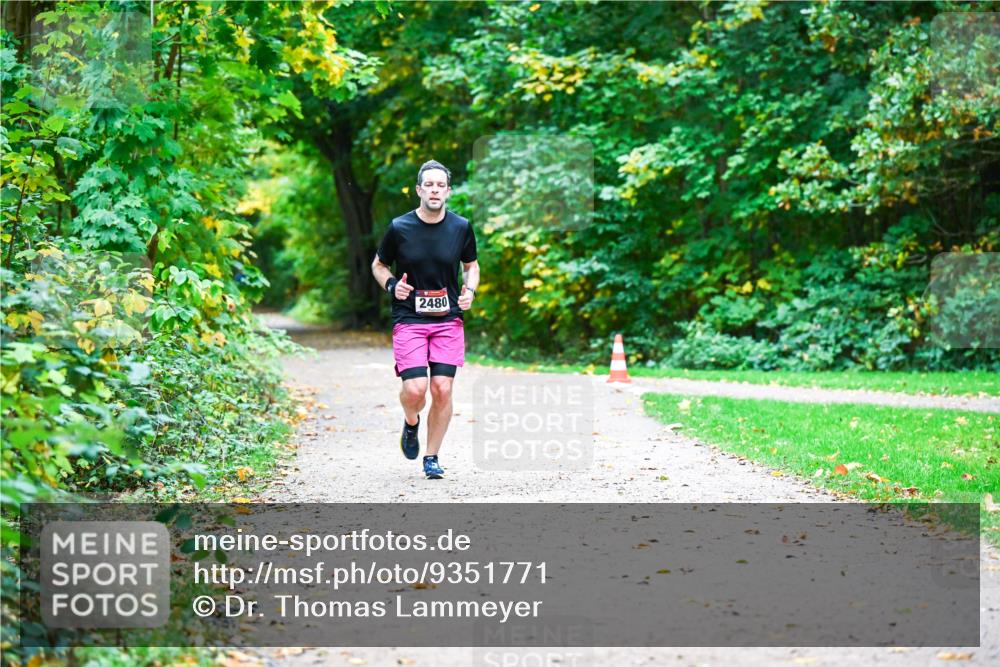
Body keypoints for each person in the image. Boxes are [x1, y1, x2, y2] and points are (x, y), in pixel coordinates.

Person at [371, 160, 479, 479]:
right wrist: (392, 286)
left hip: (448, 319)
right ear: (419, 190)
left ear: (448, 191)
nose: (434, 190)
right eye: (428, 185)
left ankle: (431, 456)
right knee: (416, 390)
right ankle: (411, 421)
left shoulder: (461, 227)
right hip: (410, 318)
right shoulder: (399, 227)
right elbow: (378, 265)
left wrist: (470, 290)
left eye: (440, 185)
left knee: (442, 388)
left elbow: (471, 266)